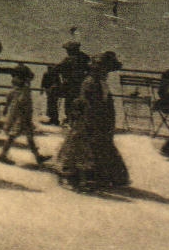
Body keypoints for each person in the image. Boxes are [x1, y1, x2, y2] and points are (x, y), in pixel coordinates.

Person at [55, 50, 130, 192]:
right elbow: (88, 104)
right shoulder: (90, 82)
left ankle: (98, 177)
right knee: (83, 149)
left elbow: (104, 102)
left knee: (98, 147)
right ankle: (77, 177)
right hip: (90, 119)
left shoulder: (100, 82)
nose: (105, 73)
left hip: (100, 119)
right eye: (103, 70)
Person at [0, 66, 47, 166]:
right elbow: (22, 101)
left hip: (19, 115)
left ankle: (37, 156)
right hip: (22, 116)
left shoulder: (15, 89)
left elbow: (9, 99)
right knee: (14, 135)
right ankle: (3, 154)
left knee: (28, 136)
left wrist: (6, 109)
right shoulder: (24, 89)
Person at [43, 40, 90, 127]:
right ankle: (71, 119)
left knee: (52, 92)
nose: (67, 52)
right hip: (82, 88)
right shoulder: (85, 58)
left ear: (71, 50)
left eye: (67, 50)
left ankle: (54, 118)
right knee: (70, 98)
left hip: (69, 88)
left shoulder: (68, 59)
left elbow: (56, 69)